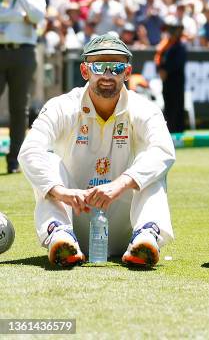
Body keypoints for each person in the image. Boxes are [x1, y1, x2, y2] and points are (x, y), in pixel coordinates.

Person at [18, 33, 175, 267]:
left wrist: (120, 184)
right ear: (85, 71)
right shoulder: (61, 106)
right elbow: (29, 151)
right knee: (49, 162)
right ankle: (59, 235)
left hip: (127, 229)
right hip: (74, 220)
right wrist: (62, 192)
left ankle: (147, 235)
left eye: (117, 67)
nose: (108, 75)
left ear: (127, 72)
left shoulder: (144, 108)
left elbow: (164, 151)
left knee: (150, 163)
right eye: (100, 66)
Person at [0, 0, 46, 173]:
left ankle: (14, 161)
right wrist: (18, 16)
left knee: (19, 108)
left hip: (24, 51)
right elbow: (26, 16)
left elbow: (37, 16)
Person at [155, 16, 187, 133]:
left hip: (176, 80)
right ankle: (168, 130)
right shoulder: (165, 44)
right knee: (168, 104)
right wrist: (160, 70)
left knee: (177, 105)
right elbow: (158, 59)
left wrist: (166, 70)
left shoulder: (181, 45)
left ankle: (178, 130)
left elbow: (178, 63)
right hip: (166, 81)